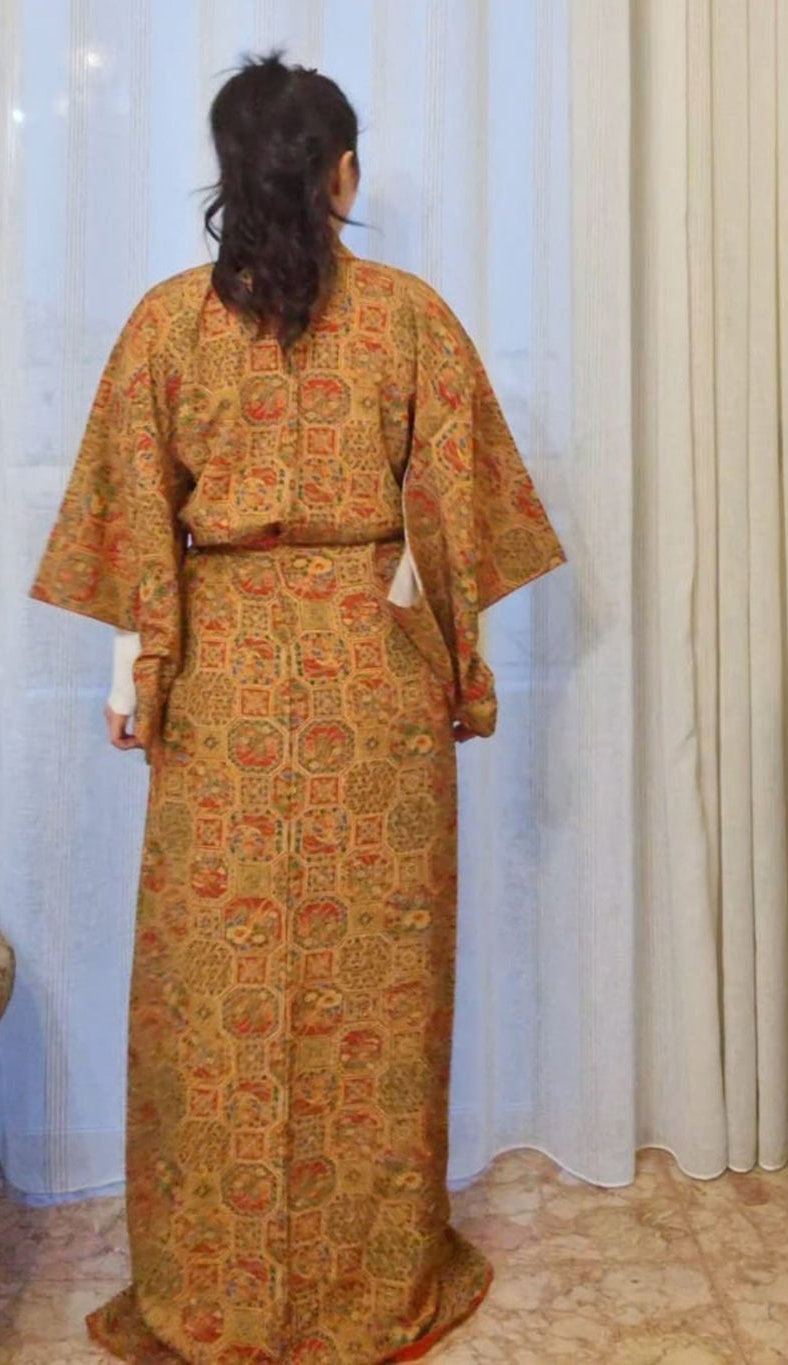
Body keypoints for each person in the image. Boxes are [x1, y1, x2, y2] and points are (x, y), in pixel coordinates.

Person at [30, 50, 564, 1365]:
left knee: (213, 992)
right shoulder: (413, 318)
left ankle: (211, 1291)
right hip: (371, 685)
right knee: (373, 984)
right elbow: (448, 522)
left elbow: (133, 530)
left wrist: (136, 678)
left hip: (218, 682)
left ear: (228, 177)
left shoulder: (164, 324)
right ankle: (366, 1284)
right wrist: (459, 671)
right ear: (344, 174)